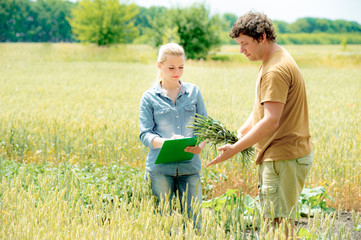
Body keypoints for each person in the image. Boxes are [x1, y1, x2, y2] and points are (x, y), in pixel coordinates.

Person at [206, 11, 313, 236]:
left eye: (245, 44)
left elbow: (271, 120)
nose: (241, 50)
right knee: (273, 220)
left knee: (279, 224)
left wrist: (236, 148)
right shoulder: (274, 59)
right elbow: (261, 111)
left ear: (262, 37)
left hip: (282, 157)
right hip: (282, 158)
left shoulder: (274, 69)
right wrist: (238, 134)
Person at [139, 43, 207, 231]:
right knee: (164, 225)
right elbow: (145, 134)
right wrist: (167, 143)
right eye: (171, 67)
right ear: (159, 66)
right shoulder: (149, 97)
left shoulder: (194, 92)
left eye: (181, 67)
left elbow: (205, 127)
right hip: (160, 170)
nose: (177, 72)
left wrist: (200, 144)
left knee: (195, 224)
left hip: (190, 167)